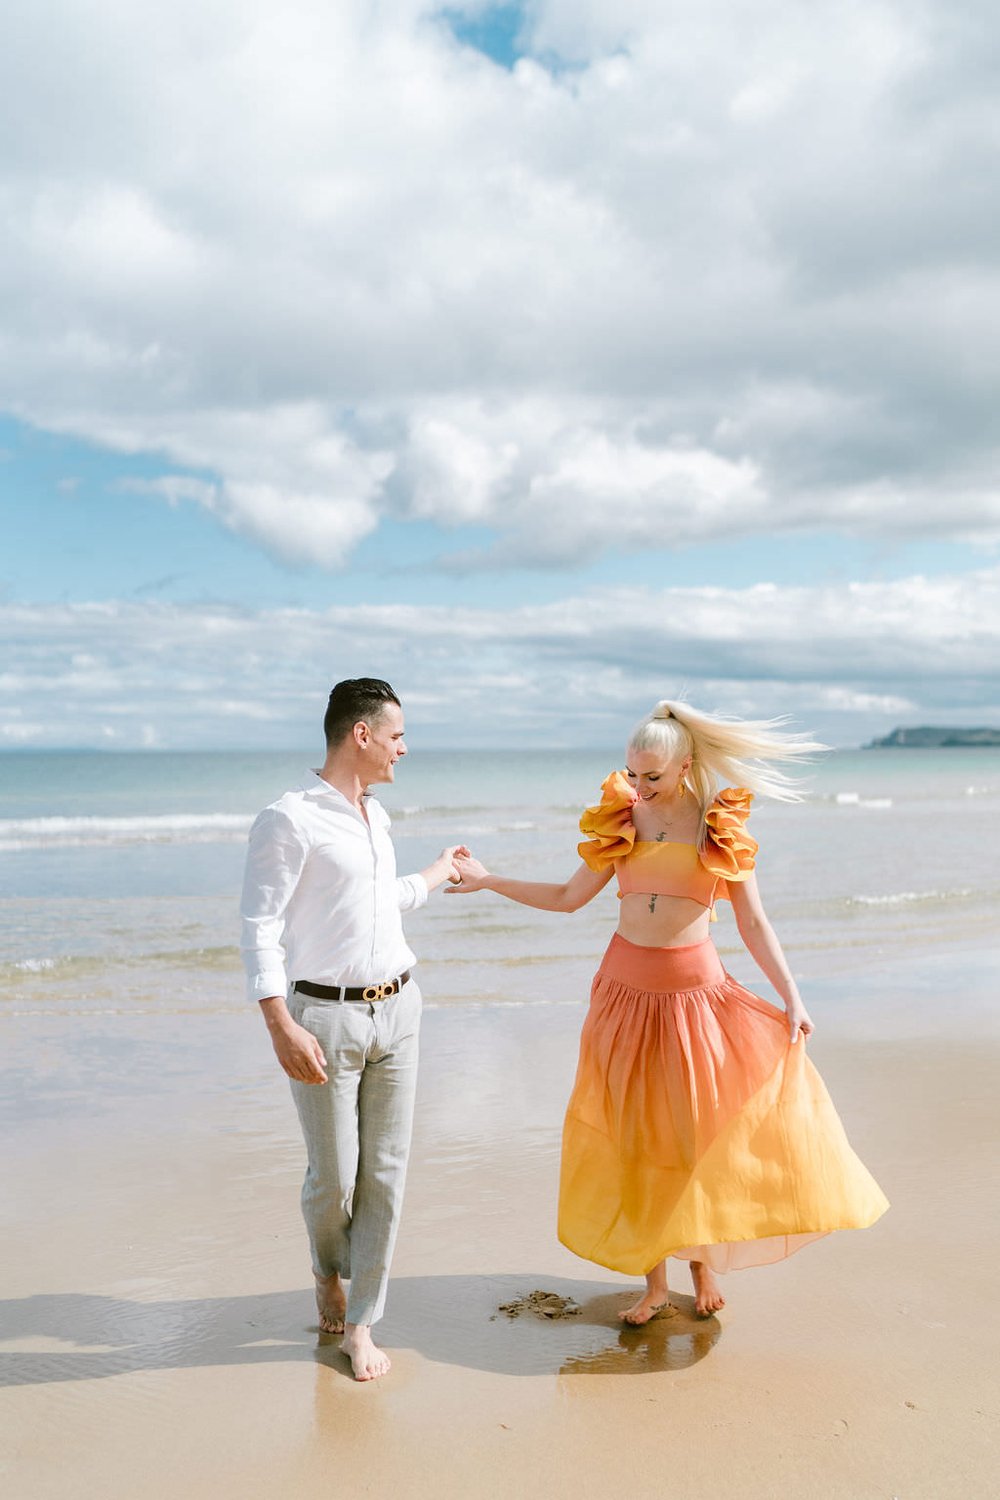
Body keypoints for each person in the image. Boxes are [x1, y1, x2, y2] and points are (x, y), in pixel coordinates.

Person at [449, 699, 888, 1323]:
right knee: (633, 1137)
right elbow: (569, 897)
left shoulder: (720, 826)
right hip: (623, 997)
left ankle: (702, 1268)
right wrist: (490, 881)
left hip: (696, 1001)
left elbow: (754, 922)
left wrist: (793, 996)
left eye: (651, 775)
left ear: (685, 765)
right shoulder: (619, 819)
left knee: (693, 1135)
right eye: (632, 772)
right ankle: (653, 1284)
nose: (639, 786)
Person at [240, 678, 465, 1380]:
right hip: (323, 1019)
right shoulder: (289, 819)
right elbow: (259, 927)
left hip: (399, 1008)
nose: (405, 748)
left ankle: (362, 1321)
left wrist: (439, 871)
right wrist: (278, 1022)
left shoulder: (378, 817)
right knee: (334, 1177)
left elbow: (381, 905)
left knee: (387, 1177)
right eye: (396, 735)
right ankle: (326, 1271)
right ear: (360, 735)